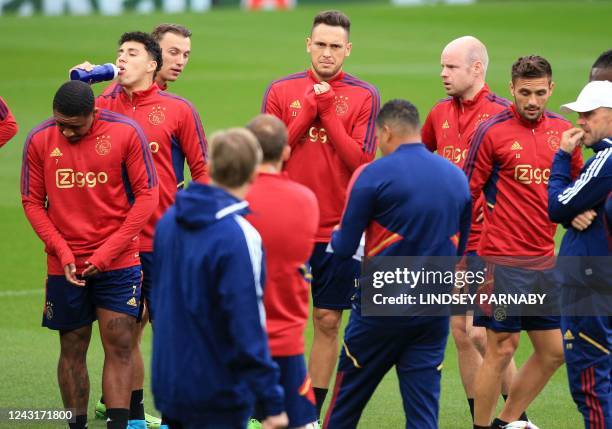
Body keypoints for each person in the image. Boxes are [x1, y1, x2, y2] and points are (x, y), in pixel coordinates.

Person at [73, 31, 208, 429]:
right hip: (115, 245)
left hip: (164, 242)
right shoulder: (98, 106)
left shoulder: (179, 110)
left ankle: (174, 417)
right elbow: (67, 133)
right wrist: (77, 86)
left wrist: (186, 219)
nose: (180, 60)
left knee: (169, 334)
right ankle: (130, 417)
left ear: (149, 63)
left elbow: (202, 173)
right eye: (174, 52)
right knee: (124, 335)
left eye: (186, 54)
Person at [323, 99, 471, 429]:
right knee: (422, 416)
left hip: (379, 312)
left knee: (344, 409)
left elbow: (345, 248)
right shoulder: (457, 177)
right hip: (432, 313)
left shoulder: (374, 174)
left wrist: (334, 237)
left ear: (387, 131)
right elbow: (460, 248)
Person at [20, 80, 158, 429]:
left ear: (93, 113)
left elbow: (147, 197)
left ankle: (118, 425)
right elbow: (33, 202)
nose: (65, 131)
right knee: (72, 345)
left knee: (121, 345)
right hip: (64, 264)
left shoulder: (126, 133)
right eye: (60, 123)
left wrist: (108, 253)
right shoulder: (39, 139)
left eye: (75, 126)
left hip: (119, 262)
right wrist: (63, 251)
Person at [261, 10, 379, 417]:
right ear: (308, 44)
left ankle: (309, 414)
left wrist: (328, 113)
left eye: (335, 46)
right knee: (278, 321)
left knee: (327, 320)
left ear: (347, 49)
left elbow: (360, 160)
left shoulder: (364, 96)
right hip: (285, 226)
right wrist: (309, 111)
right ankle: (270, 408)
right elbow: (267, 153)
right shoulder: (281, 90)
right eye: (321, 44)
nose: (327, 54)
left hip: (336, 229)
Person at [465, 55, 583, 429]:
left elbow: (579, 188)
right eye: (525, 93)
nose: (532, 101)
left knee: (552, 352)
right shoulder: (492, 132)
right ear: (512, 88)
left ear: (552, 90)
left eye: (540, 92)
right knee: (501, 349)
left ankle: (507, 422)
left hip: (544, 263)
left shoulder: (564, 134)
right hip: (500, 263)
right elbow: (465, 194)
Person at [151, 128, 288, 429]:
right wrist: (271, 401)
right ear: (254, 174)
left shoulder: (169, 221)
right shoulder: (239, 235)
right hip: (217, 390)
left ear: (210, 167)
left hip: (170, 381)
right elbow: (246, 321)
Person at [421, 36, 522, 423]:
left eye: (451, 67)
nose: (443, 73)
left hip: (492, 239)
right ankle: (479, 419)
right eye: (442, 66)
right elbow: (423, 157)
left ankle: (516, 418)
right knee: (461, 334)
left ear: (477, 68)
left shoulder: (503, 113)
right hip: (452, 239)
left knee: (485, 335)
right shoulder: (438, 113)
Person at [245, 114, 319, 429]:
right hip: (286, 340)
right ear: (286, 153)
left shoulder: (227, 198)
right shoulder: (306, 201)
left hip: (236, 338)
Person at [549, 80, 612, 429]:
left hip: (590, 290)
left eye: (589, 114)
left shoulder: (606, 160)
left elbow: (557, 206)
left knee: (591, 385)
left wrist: (561, 159)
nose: (582, 121)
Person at [103, 23, 192, 97]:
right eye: (173, 52)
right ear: (155, 51)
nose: (181, 62)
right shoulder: (111, 97)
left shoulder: (178, 106)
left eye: (185, 55)